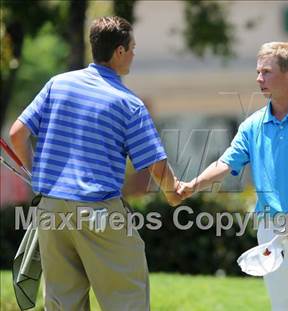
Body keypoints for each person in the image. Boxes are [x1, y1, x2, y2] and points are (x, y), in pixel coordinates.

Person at [9, 16, 181, 311]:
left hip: (50, 209)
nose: (134, 54)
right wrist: (174, 192)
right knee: (127, 299)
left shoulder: (57, 84)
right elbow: (156, 163)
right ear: (119, 52)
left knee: (64, 304)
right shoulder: (128, 103)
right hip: (98, 210)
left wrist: (38, 176)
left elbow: (17, 135)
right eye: (133, 48)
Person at [177, 42, 288, 311]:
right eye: (258, 72)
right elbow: (226, 163)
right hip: (271, 226)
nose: (259, 78)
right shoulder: (253, 124)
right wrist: (192, 185)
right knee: (284, 304)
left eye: (266, 72)